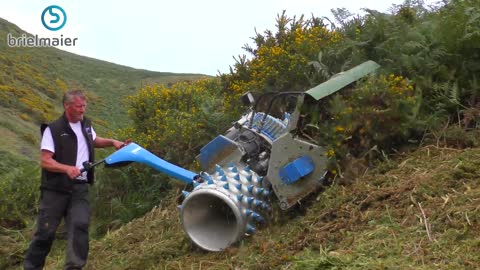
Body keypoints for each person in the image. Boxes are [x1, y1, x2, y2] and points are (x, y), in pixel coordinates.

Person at [24, 89, 126, 270]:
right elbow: (45, 161)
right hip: (55, 190)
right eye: (79, 107)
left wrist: (112, 142)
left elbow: (94, 139)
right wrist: (66, 169)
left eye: (84, 106)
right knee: (45, 234)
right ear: (67, 106)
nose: (82, 110)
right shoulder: (53, 130)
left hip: (79, 188)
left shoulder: (86, 124)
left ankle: (74, 267)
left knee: (80, 225)